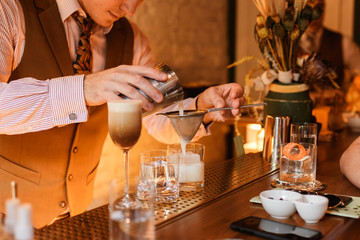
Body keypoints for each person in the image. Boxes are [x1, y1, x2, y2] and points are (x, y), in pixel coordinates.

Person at [0, 0, 245, 228]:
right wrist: (84, 88)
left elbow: (155, 119)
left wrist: (201, 107)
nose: (130, 9)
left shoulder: (131, 38)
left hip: (75, 219)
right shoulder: (11, 10)